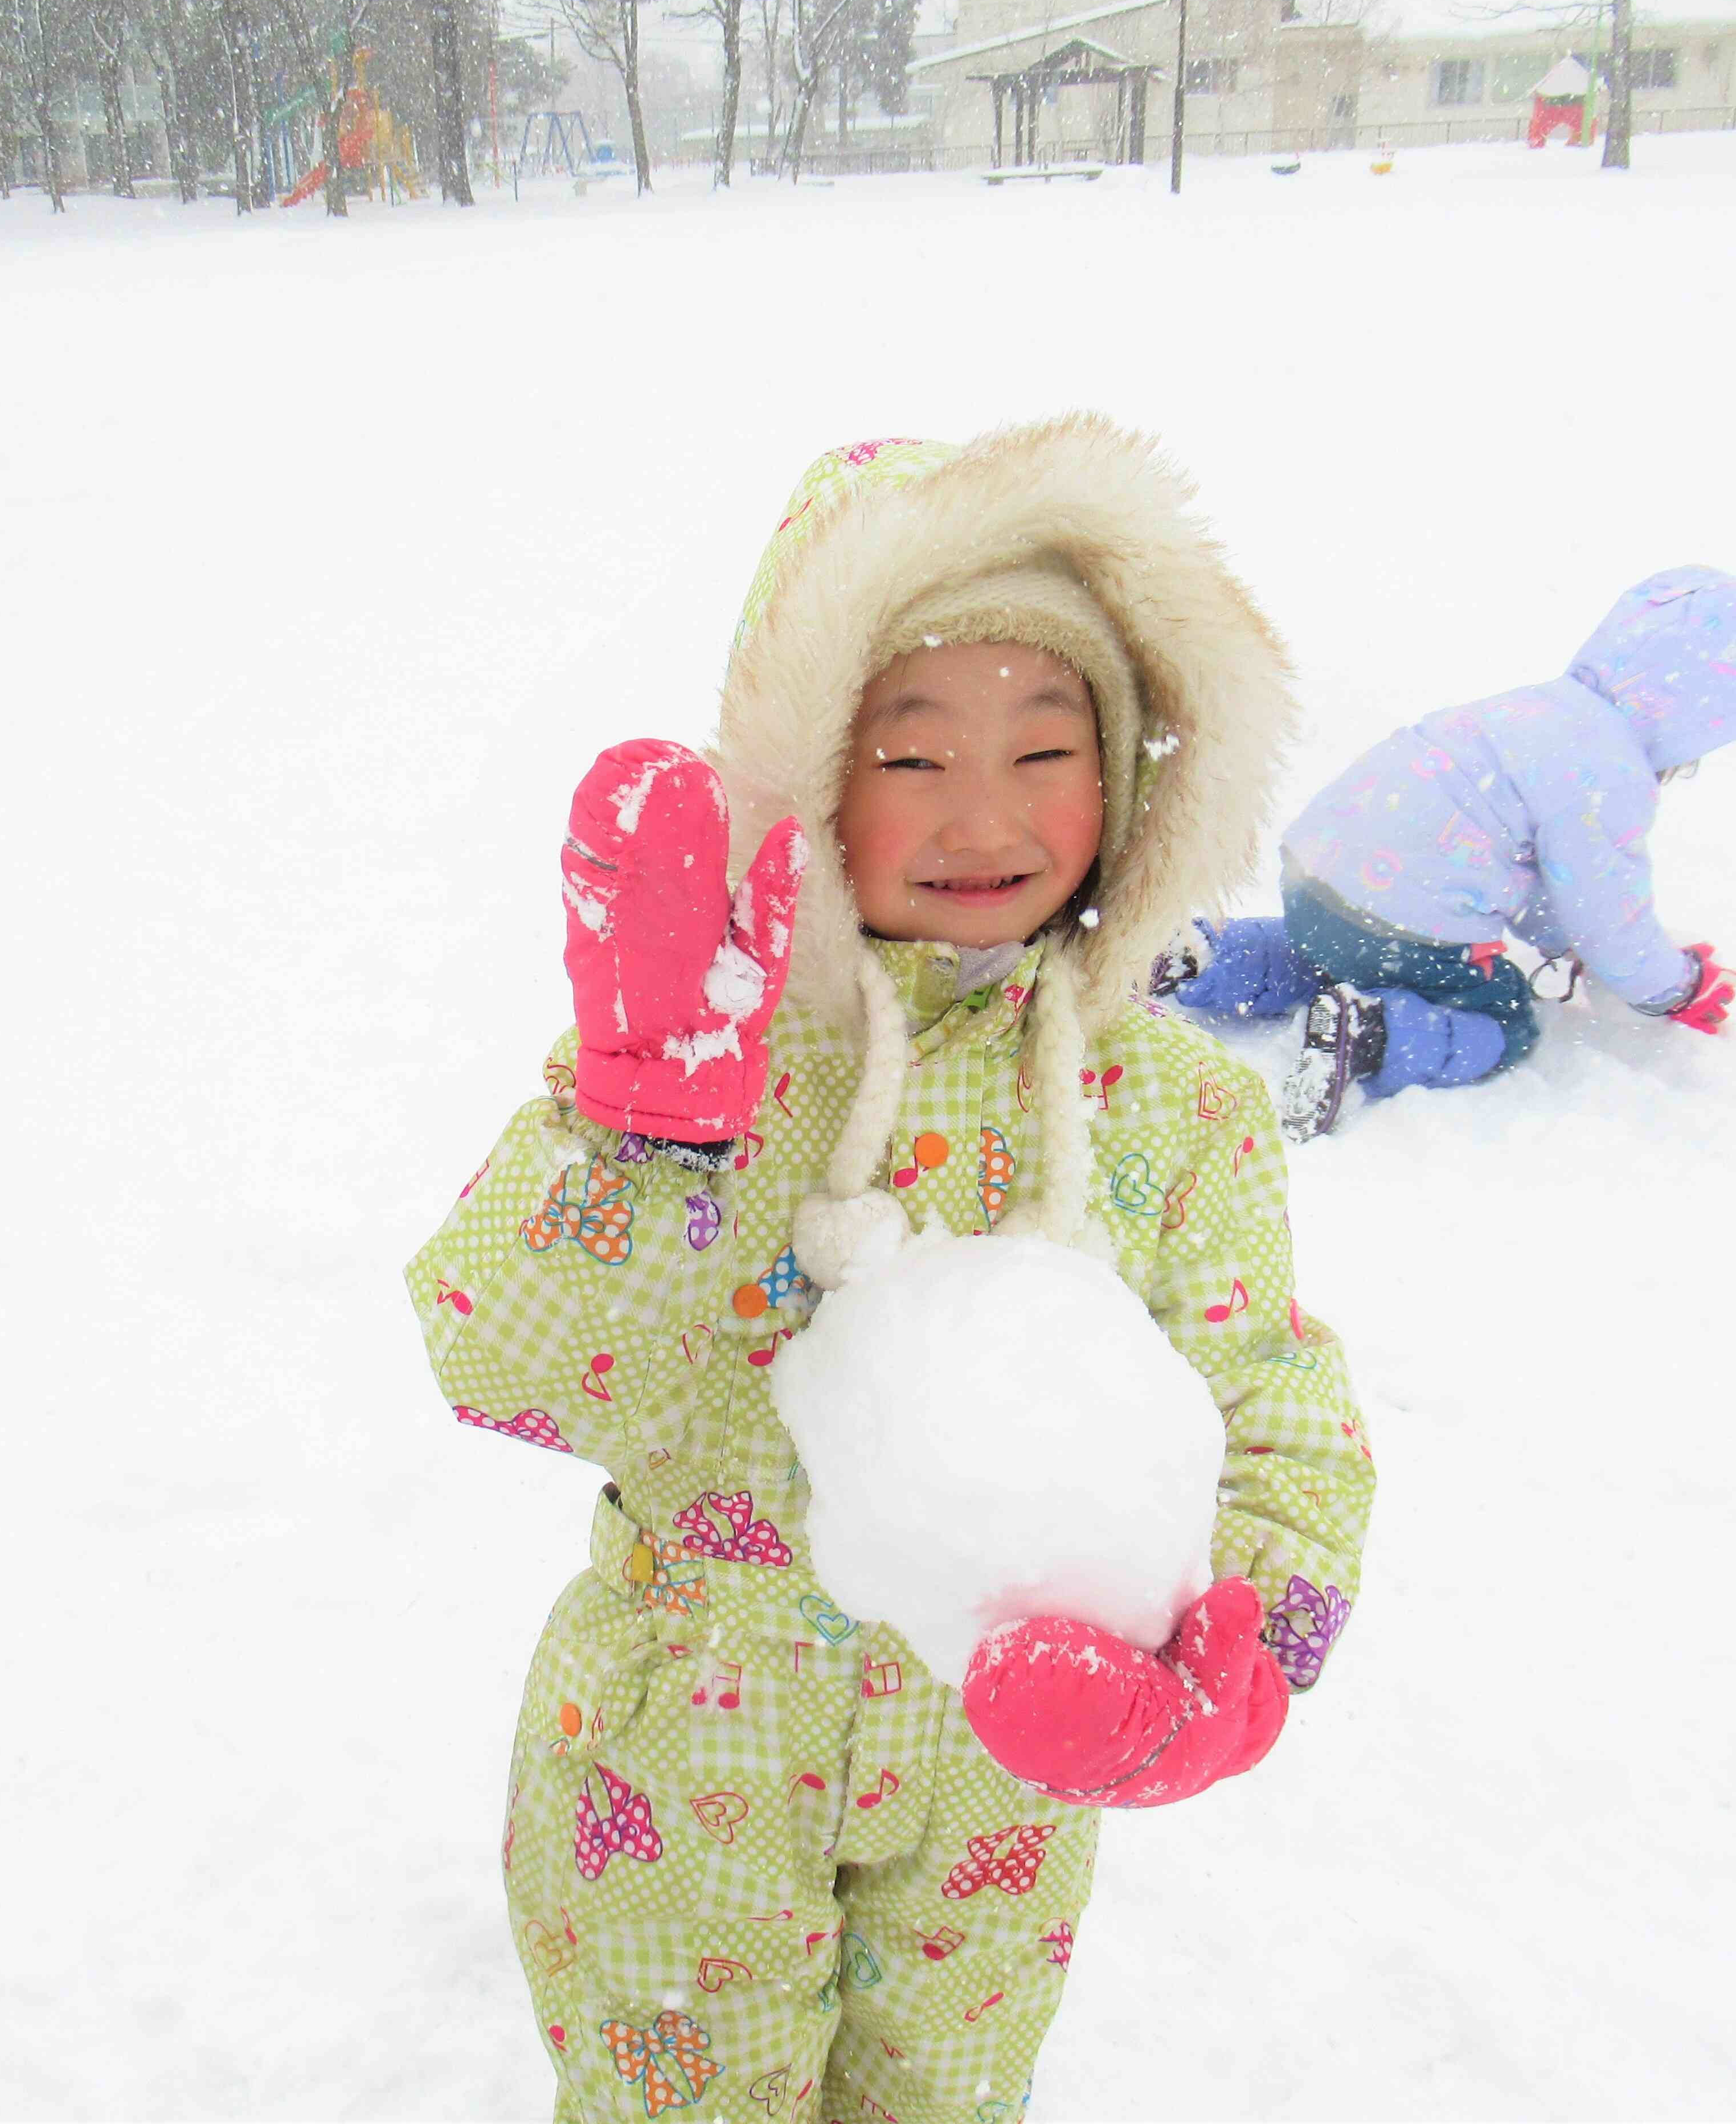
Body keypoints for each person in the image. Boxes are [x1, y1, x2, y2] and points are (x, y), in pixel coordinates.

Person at [404, 421, 1375, 2123]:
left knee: (945, 2099)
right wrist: (643, 1143)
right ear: (807, 767)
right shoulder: (712, 1060)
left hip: (997, 1774)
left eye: (1046, 745)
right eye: (913, 754)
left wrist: (1251, 1625)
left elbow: (1261, 1385)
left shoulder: (1174, 1105)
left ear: (1136, 773)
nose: (987, 813)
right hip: (690, 1740)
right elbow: (507, 1359)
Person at [1159, 566, 1736, 1137]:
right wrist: (1673, 986)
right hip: (1403, 916)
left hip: (1317, 871)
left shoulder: (1533, 709)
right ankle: (1372, 1033)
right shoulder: (1610, 774)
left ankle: (1204, 956)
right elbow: (1604, 910)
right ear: (1697, 724)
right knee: (1503, 1015)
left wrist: (1568, 941)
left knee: (1326, 951)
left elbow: (1548, 885)